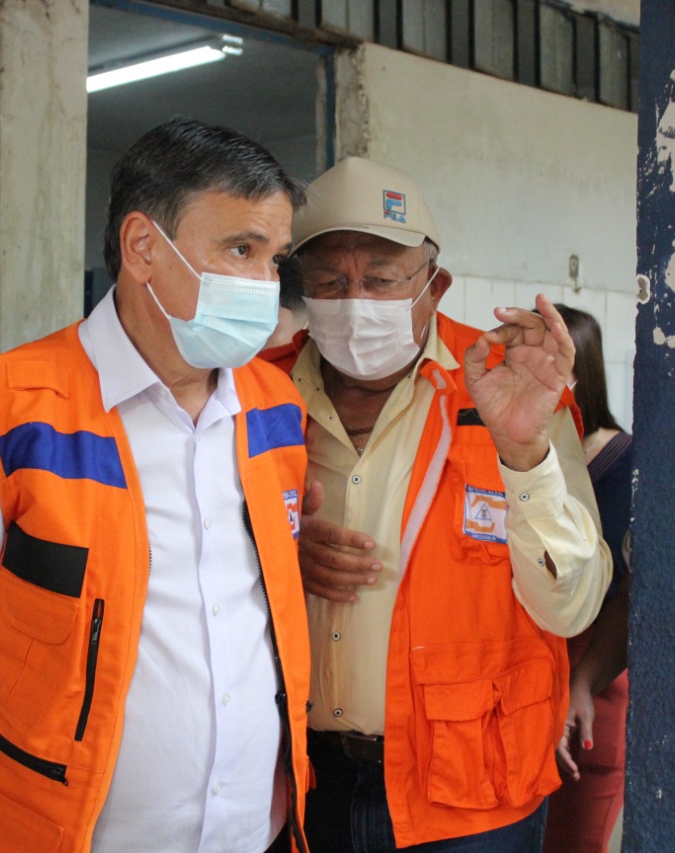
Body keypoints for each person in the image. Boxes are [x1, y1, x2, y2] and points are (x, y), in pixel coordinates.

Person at [0, 118, 314, 853]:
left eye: (275, 259)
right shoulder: (7, 412)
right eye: (241, 249)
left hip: (250, 833)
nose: (265, 285)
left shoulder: (275, 407)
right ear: (143, 246)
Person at [264, 156, 612, 852]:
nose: (355, 299)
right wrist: (276, 555)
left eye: (382, 278)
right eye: (332, 279)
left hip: (470, 795)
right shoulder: (257, 393)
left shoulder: (510, 386)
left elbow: (573, 604)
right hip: (299, 781)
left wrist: (523, 456)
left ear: (434, 284)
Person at [542, 305, 633, 853]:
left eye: (551, 363)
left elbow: (629, 592)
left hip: (591, 676)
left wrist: (582, 680)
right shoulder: (503, 452)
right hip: (515, 679)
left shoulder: (626, 462)